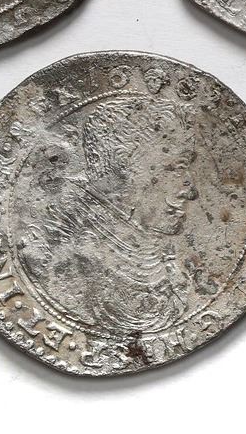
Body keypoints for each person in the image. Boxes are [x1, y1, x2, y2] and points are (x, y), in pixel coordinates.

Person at [18, 96, 200, 335]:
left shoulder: (159, 265)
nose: (192, 191)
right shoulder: (65, 266)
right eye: (178, 168)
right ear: (123, 165)